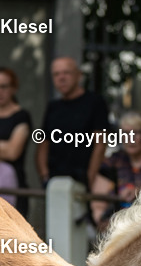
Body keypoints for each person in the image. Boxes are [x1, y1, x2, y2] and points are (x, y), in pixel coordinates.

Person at [36, 56, 110, 190]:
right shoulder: (53, 106)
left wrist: (90, 178)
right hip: (55, 180)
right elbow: (43, 143)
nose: (61, 78)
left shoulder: (95, 103)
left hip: (82, 181)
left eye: (66, 72)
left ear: (79, 75)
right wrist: (44, 176)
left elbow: (100, 143)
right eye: (56, 74)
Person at [90, 111, 141, 232]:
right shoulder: (113, 161)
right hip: (115, 229)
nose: (130, 138)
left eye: (136, 133)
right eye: (125, 133)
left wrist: (138, 190)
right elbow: (98, 205)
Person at [0, 67, 32, 216]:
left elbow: (12, 152)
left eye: (4, 86)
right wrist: (2, 145)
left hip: (12, 184)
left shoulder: (21, 116)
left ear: (13, 88)